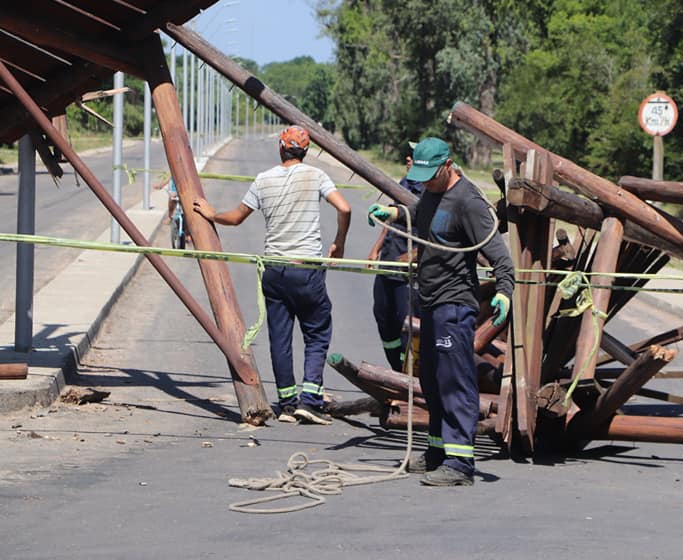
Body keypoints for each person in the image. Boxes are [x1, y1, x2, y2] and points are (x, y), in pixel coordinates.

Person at [368, 137, 514, 487]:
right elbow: (422, 213)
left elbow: (500, 256)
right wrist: (394, 213)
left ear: (448, 165)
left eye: (432, 175)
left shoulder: (469, 202)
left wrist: (505, 293)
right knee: (431, 381)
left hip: (454, 305)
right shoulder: (432, 192)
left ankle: (461, 462)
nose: (427, 182)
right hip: (430, 302)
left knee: (454, 382)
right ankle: (436, 450)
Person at [193, 125, 351, 425]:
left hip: (274, 270)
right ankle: (311, 400)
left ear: (281, 147)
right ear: (305, 151)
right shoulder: (316, 176)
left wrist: (212, 213)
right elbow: (344, 208)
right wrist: (339, 242)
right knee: (317, 333)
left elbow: (237, 217)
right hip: (306, 269)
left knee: (280, 337)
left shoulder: (263, 180)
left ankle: (288, 404)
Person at [366, 152, 424, 372]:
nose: (407, 159)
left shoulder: (430, 193)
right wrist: (376, 248)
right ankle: (396, 369)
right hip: (388, 262)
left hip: (408, 272)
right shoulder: (404, 184)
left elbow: (439, 234)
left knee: (407, 325)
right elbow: (391, 219)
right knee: (383, 316)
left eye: (413, 156)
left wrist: (415, 255)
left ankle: (408, 376)